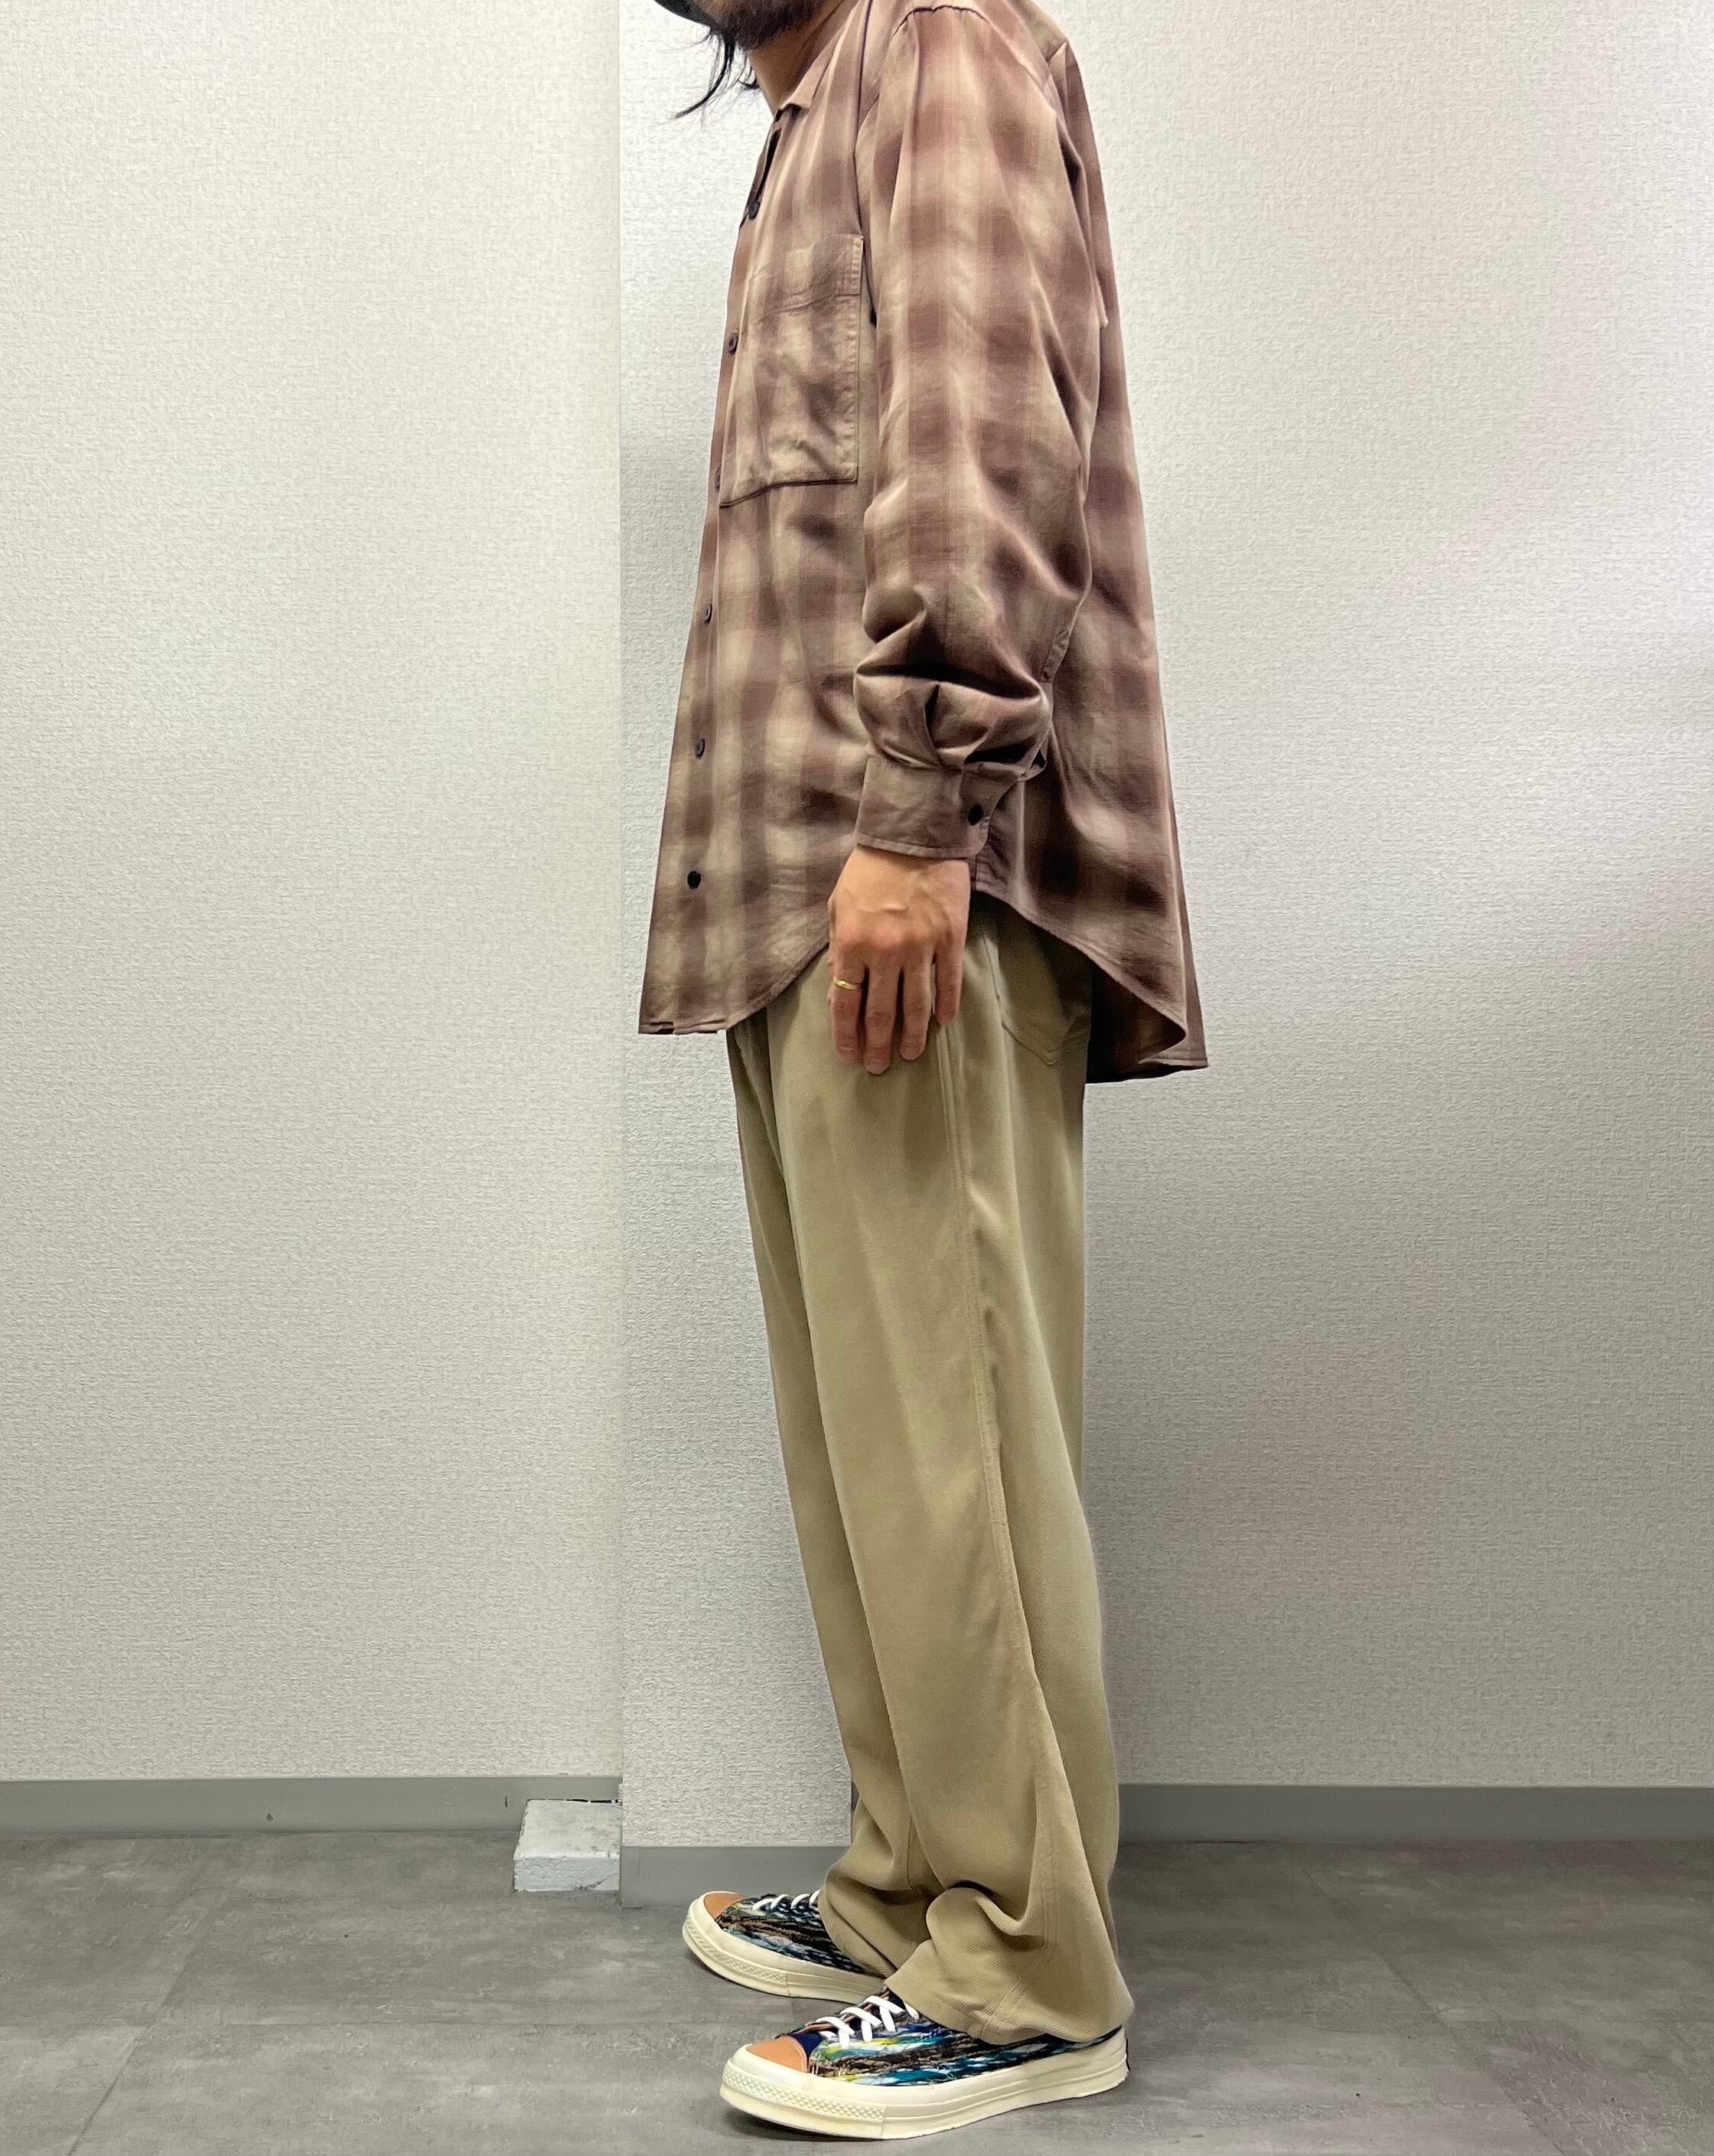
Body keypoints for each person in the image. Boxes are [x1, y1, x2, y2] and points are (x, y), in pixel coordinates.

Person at [639, 0, 1208, 2137]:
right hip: (811, 888)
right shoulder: (810, 116)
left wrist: (915, 817)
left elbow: (980, 441)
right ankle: (912, 1883)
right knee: (871, 1446)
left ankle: (1030, 1973)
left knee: (947, 1442)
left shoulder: (937, 42)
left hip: (905, 881)